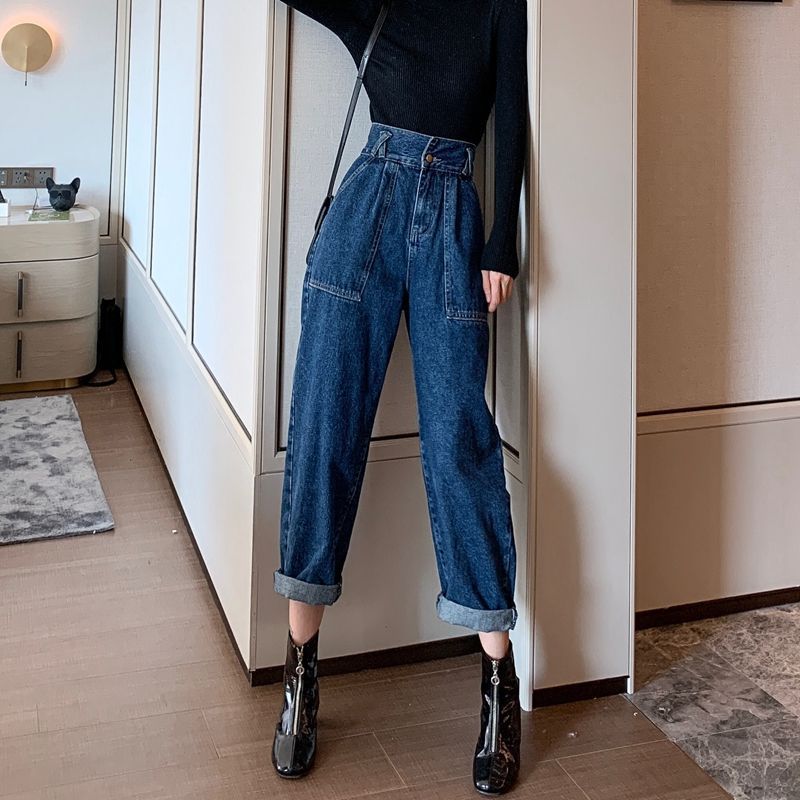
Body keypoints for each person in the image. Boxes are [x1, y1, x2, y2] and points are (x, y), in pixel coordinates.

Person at [271, 0, 528, 794]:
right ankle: (301, 675)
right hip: (365, 214)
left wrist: (502, 244)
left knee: (461, 443)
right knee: (323, 432)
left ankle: (499, 685)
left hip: (454, 215)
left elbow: (512, 116)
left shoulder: (498, 7)